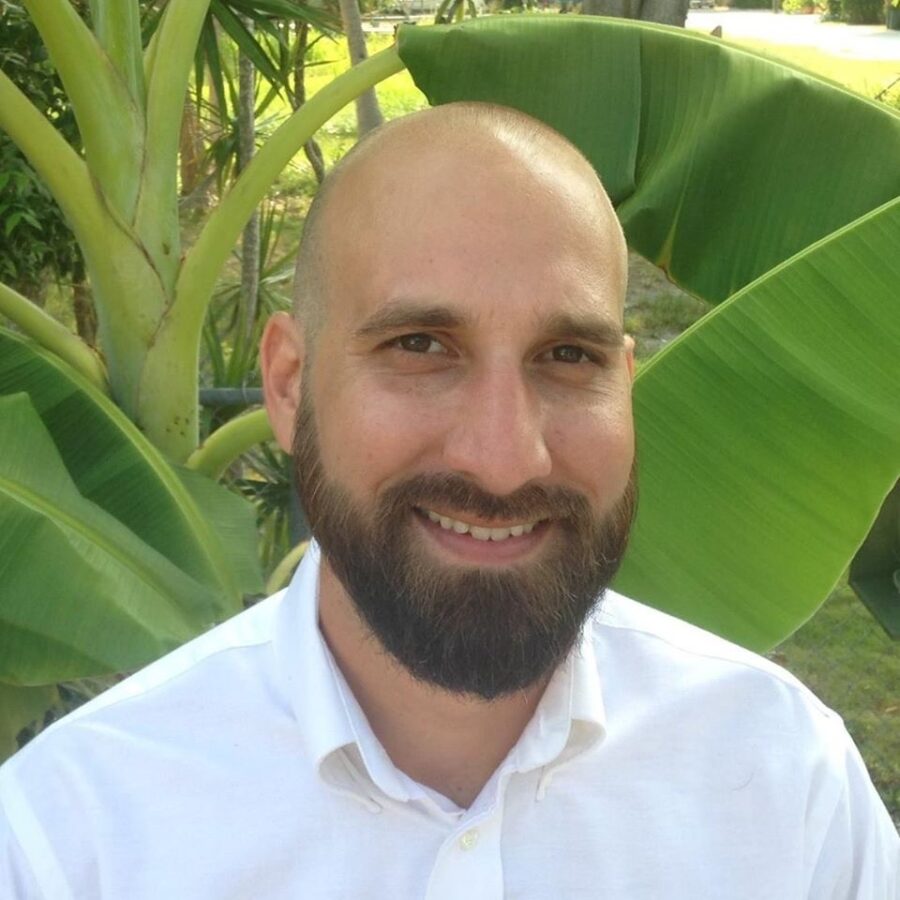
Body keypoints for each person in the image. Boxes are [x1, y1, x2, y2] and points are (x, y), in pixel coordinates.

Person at [0, 102, 897, 899]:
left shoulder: (784, 784)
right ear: (288, 383)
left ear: (625, 383)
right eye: (421, 346)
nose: (506, 459)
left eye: (569, 357)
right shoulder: (76, 841)